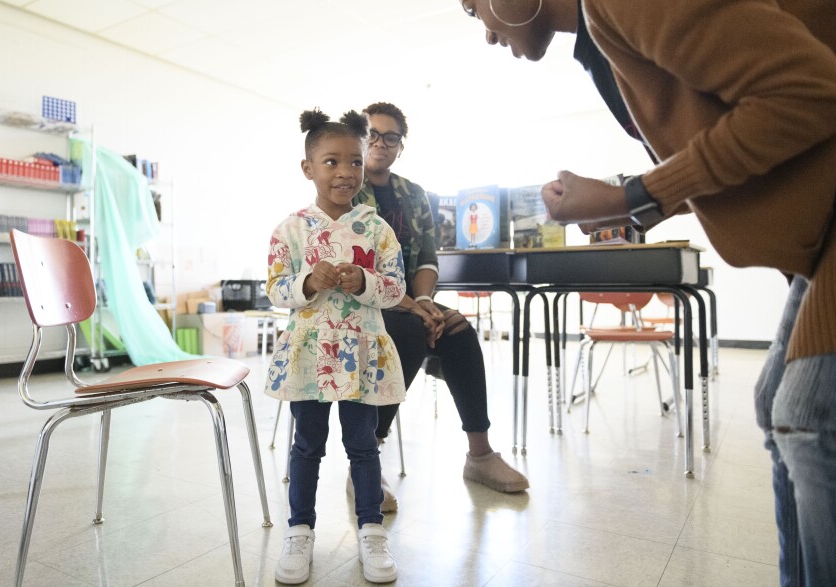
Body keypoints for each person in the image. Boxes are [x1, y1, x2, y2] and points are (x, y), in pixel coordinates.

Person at [458, 1, 836, 585]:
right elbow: (730, 129)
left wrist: (630, 197)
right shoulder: (602, 36)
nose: (483, 30)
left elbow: (806, 94)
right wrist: (633, 201)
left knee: (809, 418)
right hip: (820, 233)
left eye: (472, 4)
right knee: (780, 408)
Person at [352, 101, 530, 510]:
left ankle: (480, 455)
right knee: (409, 331)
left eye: (390, 136)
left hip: (410, 303)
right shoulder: (344, 184)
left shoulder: (413, 195)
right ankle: (365, 460)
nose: (380, 143)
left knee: (458, 330)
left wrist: (426, 302)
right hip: (358, 310)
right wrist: (413, 309)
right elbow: (353, 266)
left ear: (401, 145)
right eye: (371, 134)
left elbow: (428, 258)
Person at [264, 108, 406, 584]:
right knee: (307, 446)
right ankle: (299, 530)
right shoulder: (290, 229)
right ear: (308, 168)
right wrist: (307, 282)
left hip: (362, 354)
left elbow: (393, 290)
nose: (345, 172)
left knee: (363, 446)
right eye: (331, 162)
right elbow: (276, 289)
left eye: (354, 162)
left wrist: (363, 279)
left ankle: (371, 530)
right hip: (310, 356)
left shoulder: (378, 229)